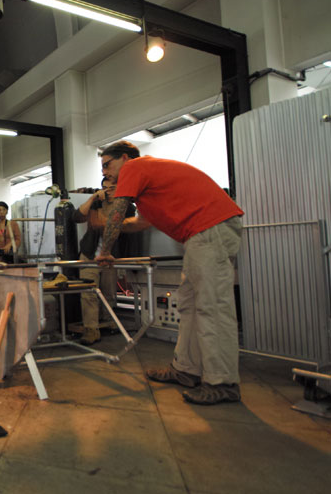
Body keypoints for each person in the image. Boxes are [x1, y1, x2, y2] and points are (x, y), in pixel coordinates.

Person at [95, 140, 243, 405]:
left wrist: (105, 250)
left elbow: (118, 211)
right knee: (189, 305)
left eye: (107, 165)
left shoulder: (135, 167)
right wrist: (106, 227)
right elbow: (139, 223)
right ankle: (186, 369)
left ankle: (223, 383)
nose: (105, 172)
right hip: (201, 235)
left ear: (125, 158)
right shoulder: (147, 186)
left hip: (209, 229)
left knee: (212, 308)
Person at [73, 178, 141, 345]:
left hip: (110, 255)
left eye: (112, 187)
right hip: (90, 254)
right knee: (88, 292)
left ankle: (107, 322)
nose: (108, 190)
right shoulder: (96, 203)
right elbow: (77, 217)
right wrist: (92, 198)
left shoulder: (127, 207)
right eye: (105, 187)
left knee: (109, 293)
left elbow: (121, 228)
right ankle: (91, 329)